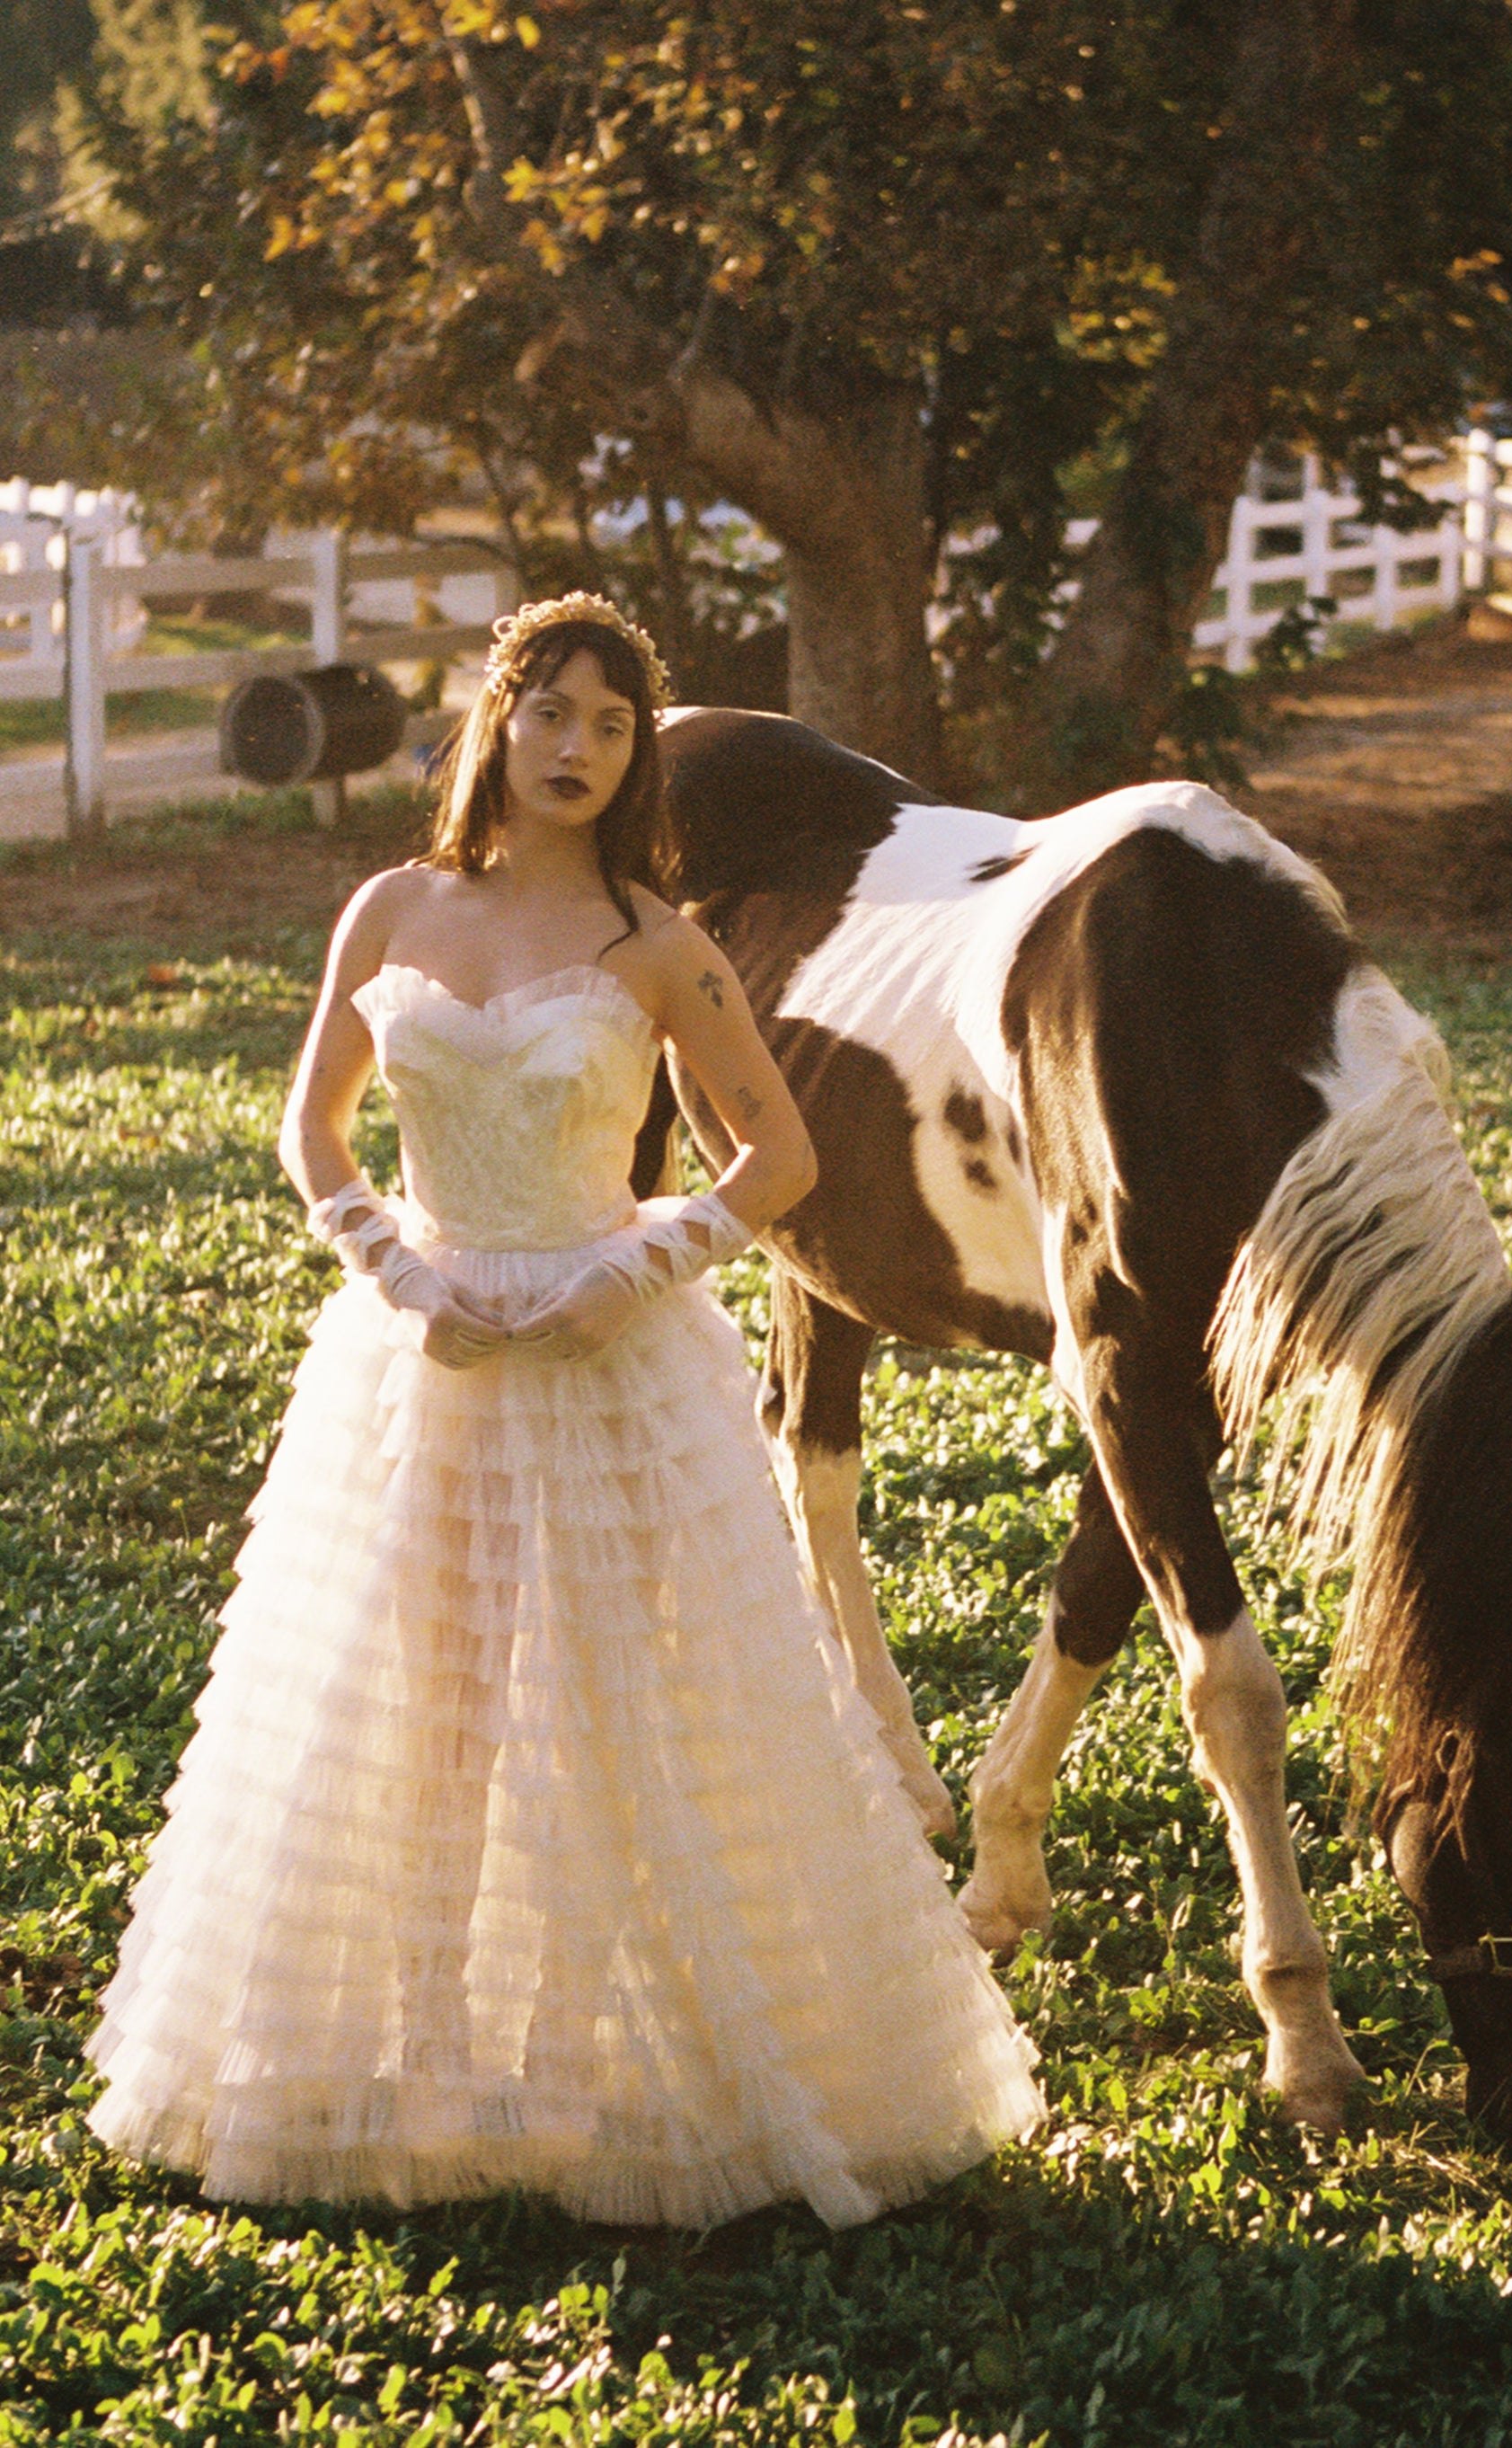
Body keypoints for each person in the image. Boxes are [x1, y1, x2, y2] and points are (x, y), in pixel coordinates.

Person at [84, 594, 1041, 2230]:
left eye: (613, 724)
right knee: (425, 1702)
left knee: (613, 1707)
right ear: (496, 722)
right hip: (429, 1358)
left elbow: (780, 1160)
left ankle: (576, 2058)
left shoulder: (660, 947)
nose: (578, 749)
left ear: (636, 750)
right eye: (552, 714)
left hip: (613, 1372)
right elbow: (312, 1132)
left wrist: (644, 1263)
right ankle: (428, 2045)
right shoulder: (390, 910)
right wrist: (395, 1271)